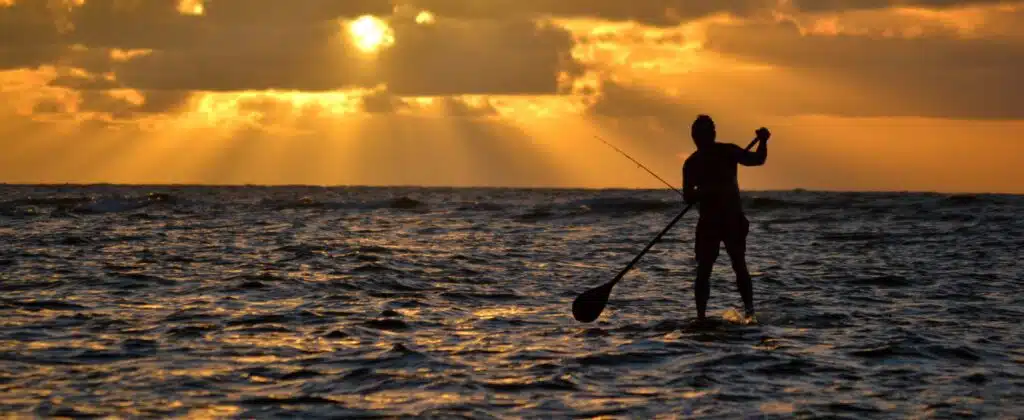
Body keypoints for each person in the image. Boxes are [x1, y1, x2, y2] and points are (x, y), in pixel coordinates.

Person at [682, 115, 769, 322]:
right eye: (698, 134)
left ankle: (749, 313)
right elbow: (687, 196)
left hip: (732, 220)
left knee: (739, 265)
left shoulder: (728, 151)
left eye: (705, 133)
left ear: (712, 134)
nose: (701, 137)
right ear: (694, 137)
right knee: (704, 270)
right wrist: (704, 193)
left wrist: (763, 141)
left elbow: (757, 160)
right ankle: (701, 317)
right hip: (709, 223)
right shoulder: (691, 163)